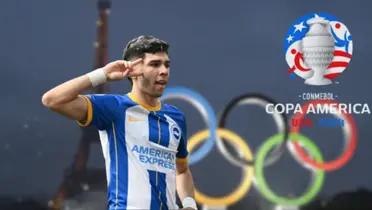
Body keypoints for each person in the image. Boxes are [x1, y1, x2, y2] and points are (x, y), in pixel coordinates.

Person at [42, 35, 197, 210]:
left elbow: (182, 170)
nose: (164, 71)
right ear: (135, 70)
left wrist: (190, 204)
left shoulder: (176, 117)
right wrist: (102, 75)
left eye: (167, 64)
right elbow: (52, 100)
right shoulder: (114, 108)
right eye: (155, 64)